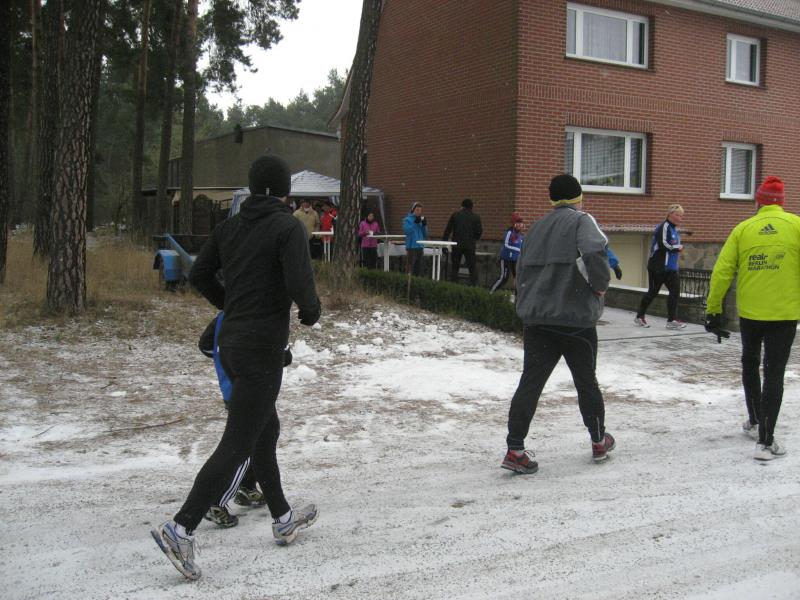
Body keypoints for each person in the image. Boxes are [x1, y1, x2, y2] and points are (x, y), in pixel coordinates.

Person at [151, 154, 322, 581]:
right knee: (239, 442)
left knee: (265, 431)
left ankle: (282, 518)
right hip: (262, 347)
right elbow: (300, 283)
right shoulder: (288, 227)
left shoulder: (230, 227)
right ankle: (181, 528)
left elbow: (199, 273)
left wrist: (230, 302)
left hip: (230, 343)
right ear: (285, 191)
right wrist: (311, 311)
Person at [502, 174, 615, 474]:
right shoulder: (582, 221)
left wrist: (526, 303)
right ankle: (598, 441)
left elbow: (521, 269)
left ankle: (515, 449)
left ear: (551, 199)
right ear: (578, 197)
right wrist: (600, 287)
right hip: (576, 320)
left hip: (538, 320)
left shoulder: (536, 227)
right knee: (586, 382)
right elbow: (595, 252)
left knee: (530, 383)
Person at [705, 176, 800, 461]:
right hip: (784, 314)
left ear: (758, 201)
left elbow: (722, 271)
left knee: (750, 362)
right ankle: (765, 442)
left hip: (750, 314)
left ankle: (756, 420)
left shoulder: (743, 229)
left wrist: (713, 309)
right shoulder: (796, 226)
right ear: (781, 202)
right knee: (774, 372)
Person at [197, 313, 293, 529]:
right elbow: (284, 356)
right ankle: (215, 501)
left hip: (236, 388)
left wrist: (226, 361)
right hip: (252, 389)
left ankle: (247, 486)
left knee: (266, 435)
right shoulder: (261, 314)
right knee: (245, 448)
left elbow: (205, 346)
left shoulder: (225, 314)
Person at [634, 204, 686, 329]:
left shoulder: (674, 230)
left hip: (671, 268)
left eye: (681, 216)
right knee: (653, 291)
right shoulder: (663, 227)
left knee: (675, 292)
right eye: (677, 215)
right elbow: (663, 245)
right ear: (670, 214)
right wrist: (677, 247)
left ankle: (671, 321)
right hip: (658, 266)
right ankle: (639, 317)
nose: (680, 218)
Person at [442, 198, 483, 285]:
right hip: (470, 245)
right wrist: (473, 239)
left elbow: (447, 230)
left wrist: (444, 244)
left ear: (462, 206)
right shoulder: (476, 217)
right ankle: (474, 287)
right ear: (471, 207)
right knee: (472, 267)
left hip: (457, 245)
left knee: (455, 267)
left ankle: (454, 285)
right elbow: (479, 232)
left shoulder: (455, 215)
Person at [490, 213, 524, 293]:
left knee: (518, 277)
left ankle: (517, 295)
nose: (520, 225)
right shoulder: (509, 233)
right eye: (518, 222)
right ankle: (491, 293)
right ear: (513, 223)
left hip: (515, 260)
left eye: (521, 223)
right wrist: (518, 250)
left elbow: (522, 247)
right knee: (504, 277)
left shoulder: (521, 236)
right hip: (506, 258)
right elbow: (506, 245)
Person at [403, 201, 428, 277]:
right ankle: (408, 281)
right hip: (411, 246)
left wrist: (424, 225)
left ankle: (416, 280)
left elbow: (425, 234)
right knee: (411, 267)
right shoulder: (407, 219)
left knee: (418, 267)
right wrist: (415, 223)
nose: (419, 212)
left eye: (420, 210)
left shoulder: (420, 220)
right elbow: (407, 231)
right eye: (417, 210)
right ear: (413, 210)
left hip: (420, 246)